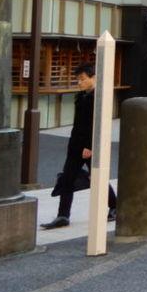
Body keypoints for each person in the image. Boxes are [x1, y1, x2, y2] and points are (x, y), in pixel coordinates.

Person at [41, 64, 117, 229]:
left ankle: (115, 206)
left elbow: (97, 124)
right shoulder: (80, 96)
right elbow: (78, 124)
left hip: (90, 147)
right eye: (78, 79)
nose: (79, 82)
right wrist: (73, 144)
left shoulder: (99, 98)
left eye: (82, 79)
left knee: (98, 178)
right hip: (75, 145)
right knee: (67, 179)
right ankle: (63, 216)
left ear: (93, 78)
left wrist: (90, 146)